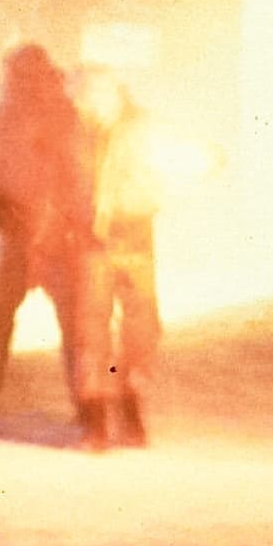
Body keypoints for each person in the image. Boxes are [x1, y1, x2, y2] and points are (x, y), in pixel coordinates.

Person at [0, 44, 94, 425]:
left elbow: (81, 171)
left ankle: (85, 395)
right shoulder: (1, 117)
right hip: (15, 232)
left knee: (73, 317)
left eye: (25, 74)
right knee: (0, 307)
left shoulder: (65, 116)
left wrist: (70, 215)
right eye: (15, 75)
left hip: (60, 235)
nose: (18, 82)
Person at [72, 67, 165, 449]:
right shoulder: (76, 132)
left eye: (93, 94)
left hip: (134, 239)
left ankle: (129, 399)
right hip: (90, 244)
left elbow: (163, 176)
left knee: (141, 329)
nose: (86, 103)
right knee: (92, 330)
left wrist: (129, 206)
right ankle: (96, 416)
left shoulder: (141, 129)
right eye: (83, 96)